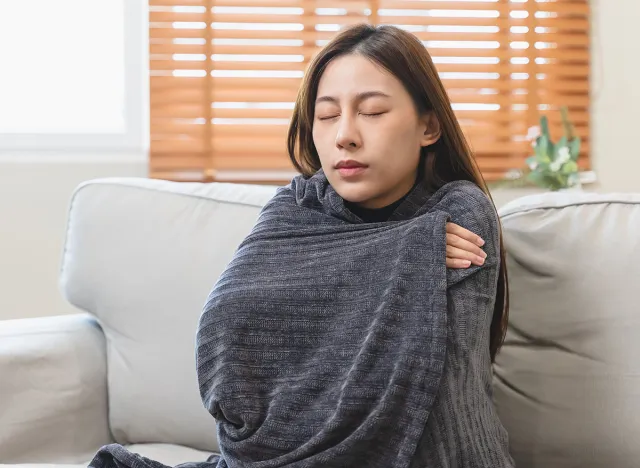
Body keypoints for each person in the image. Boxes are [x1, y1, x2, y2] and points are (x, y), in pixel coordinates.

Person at [88, 23, 513, 468]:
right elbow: (223, 334)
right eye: (327, 116)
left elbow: (438, 394)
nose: (344, 135)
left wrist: (401, 248)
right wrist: (406, 252)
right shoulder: (297, 206)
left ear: (429, 126)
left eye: (372, 112)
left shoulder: (460, 210)